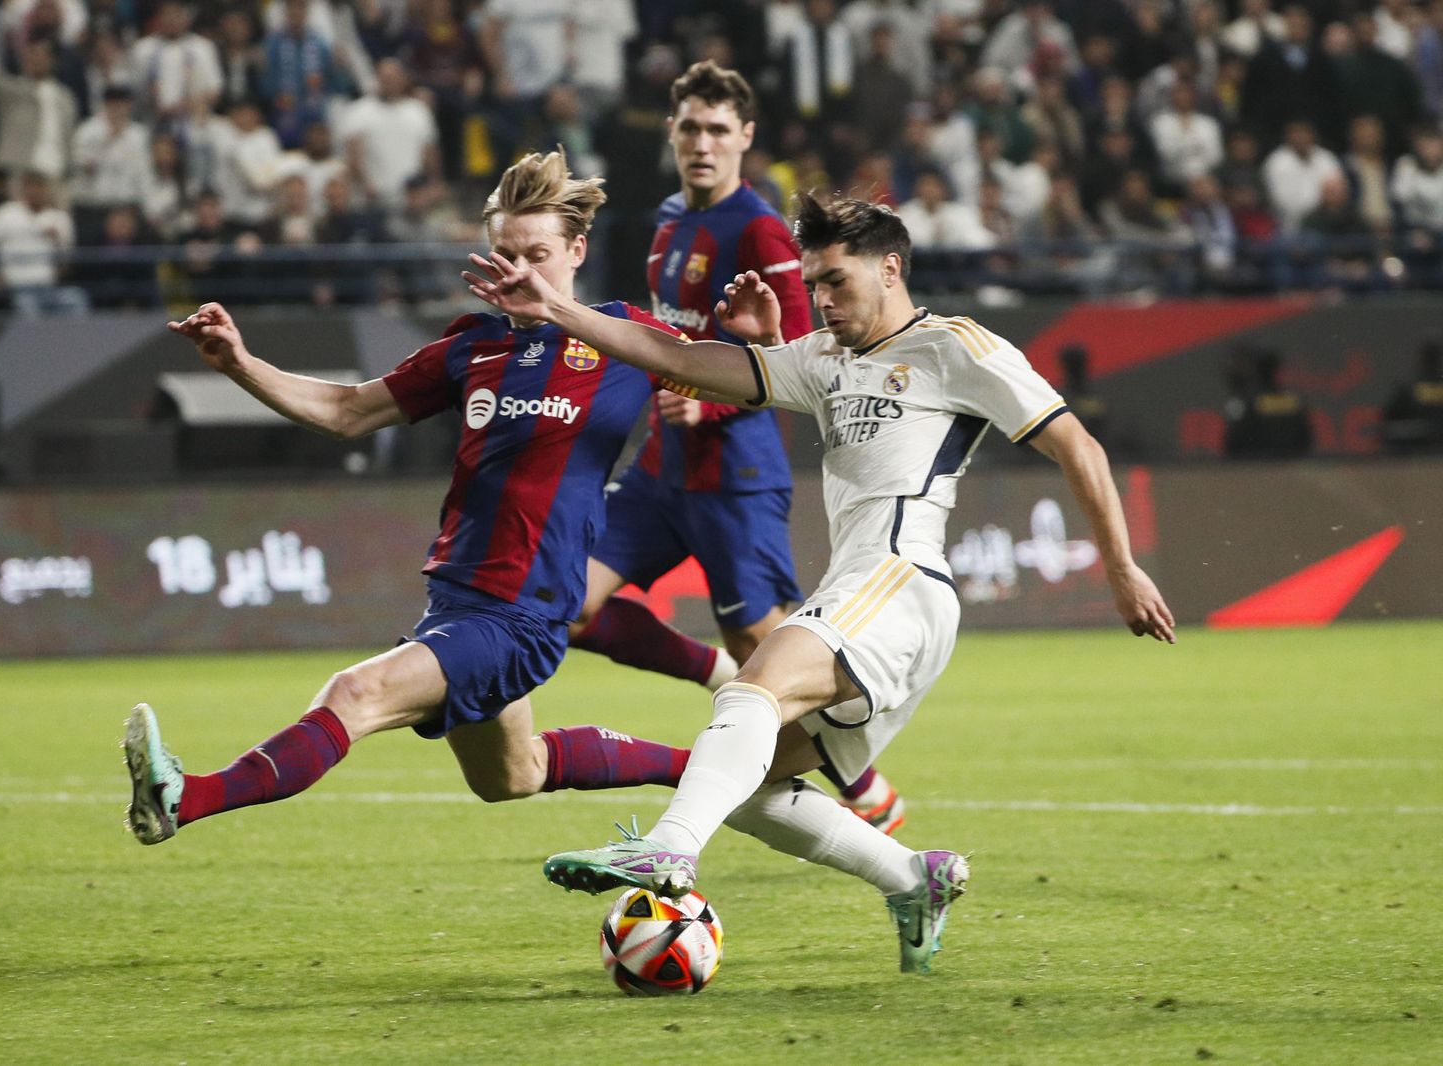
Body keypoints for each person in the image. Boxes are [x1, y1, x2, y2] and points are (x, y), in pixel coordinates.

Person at [465, 194, 1175, 973]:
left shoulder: (954, 347)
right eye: (814, 283)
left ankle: (666, 852)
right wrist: (561, 310)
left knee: (749, 691)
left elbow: (1080, 447)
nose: (823, 299)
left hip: (900, 580)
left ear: (891, 267)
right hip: (865, 593)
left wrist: (1120, 566)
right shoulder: (821, 357)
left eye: (835, 280)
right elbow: (677, 358)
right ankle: (911, 878)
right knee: (752, 785)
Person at [123, 149, 721, 848]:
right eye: (505, 253)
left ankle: (184, 798)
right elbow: (348, 410)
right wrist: (241, 364)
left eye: (537, 253)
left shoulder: (622, 337)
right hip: (457, 601)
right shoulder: (472, 347)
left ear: (577, 250)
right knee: (512, 774)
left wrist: (727, 375)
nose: (520, 270)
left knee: (355, 693)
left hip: (522, 613)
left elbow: (726, 376)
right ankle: (714, 771)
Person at [568, 60, 908, 833]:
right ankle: (719, 674)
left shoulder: (758, 230)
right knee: (566, 603)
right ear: (671, 132)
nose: (702, 142)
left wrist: (707, 410)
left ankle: (862, 786)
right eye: (690, 126)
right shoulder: (665, 220)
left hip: (734, 476)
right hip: (661, 471)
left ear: (745, 138)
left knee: (778, 669)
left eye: (719, 129)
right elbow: (671, 340)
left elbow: (801, 349)